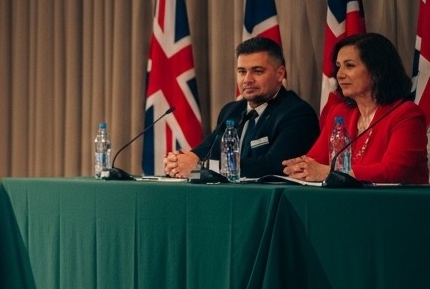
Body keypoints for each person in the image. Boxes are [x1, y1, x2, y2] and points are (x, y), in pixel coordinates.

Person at [283, 32, 430, 184]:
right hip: (349, 197)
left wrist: (330, 173)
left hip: (396, 198)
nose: (339, 75)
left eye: (349, 66)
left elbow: (394, 171)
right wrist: (302, 167)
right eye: (338, 67)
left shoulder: (407, 114)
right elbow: (316, 159)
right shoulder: (340, 113)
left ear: (377, 70)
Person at [163, 37, 319, 178]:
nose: (247, 79)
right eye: (242, 71)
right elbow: (206, 150)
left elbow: (273, 165)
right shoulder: (231, 111)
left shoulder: (298, 113)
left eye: (257, 71)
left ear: (280, 74)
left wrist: (203, 166)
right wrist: (180, 161)